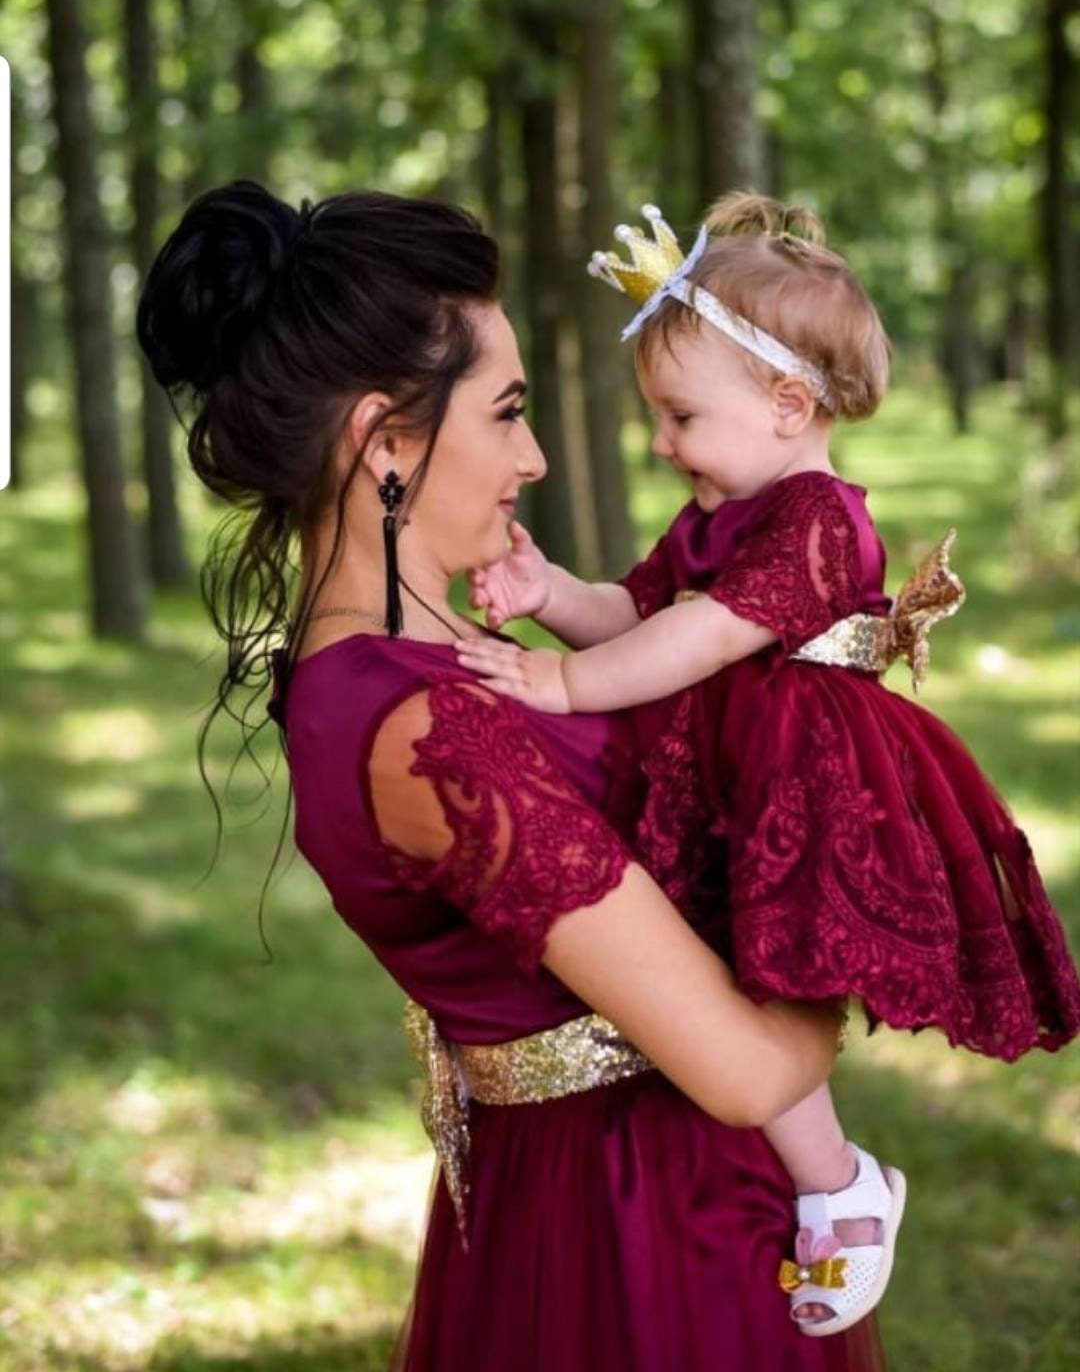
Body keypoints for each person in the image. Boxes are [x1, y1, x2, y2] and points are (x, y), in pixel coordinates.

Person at [135, 180, 886, 1370]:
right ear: (384, 440)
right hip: (631, 1236)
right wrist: (860, 919)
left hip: (664, 1192)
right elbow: (742, 1069)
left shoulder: (431, 666)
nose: (536, 456)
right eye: (508, 412)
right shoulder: (422, 729)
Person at [456, 192, 1080, 1336]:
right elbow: (641, 614)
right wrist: (553, 601)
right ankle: (804, 1177)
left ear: (787, 404)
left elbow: (700, 637)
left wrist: (568, 685)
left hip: (799, 783)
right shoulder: (718, 514)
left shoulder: (819, 520)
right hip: (724, 773)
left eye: (681, 415)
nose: (661, 443)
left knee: (761, 984)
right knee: (710, 978)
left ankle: (838, 1182)